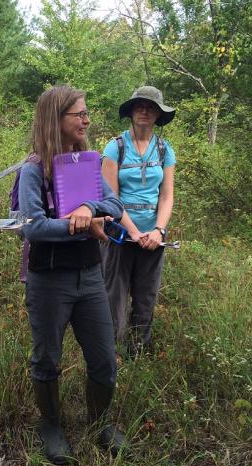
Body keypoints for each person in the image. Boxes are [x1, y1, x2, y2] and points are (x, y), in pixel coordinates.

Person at [18, 85, 125, 465]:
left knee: (104, 359)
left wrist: (88, 205)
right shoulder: (33, 170)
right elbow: (32, 227)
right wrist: (77, 225)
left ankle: (100, 422)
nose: (86, 119)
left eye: (86, 113)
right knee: (46, 358)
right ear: (55, 119)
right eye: (78, 114)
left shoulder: (89, 164)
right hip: (49, 281)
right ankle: (51, 425)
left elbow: (115, 203)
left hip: (91, 277)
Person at [101, 86, 176, 356]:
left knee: (146, 297)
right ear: (131, 112)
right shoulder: (115, 148)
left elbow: (166, 196)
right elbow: (111, 200)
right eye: (139, 106)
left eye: (151, 107)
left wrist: (158, 230)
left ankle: (139, 353)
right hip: (120, 237)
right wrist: (134, 232)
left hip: (154, 238)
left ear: (158, 114)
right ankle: (111, 355)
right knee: (114, 298)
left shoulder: (165, 149)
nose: (144, 111)